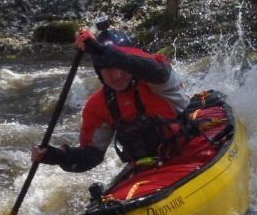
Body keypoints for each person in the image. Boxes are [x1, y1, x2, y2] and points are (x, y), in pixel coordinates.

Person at [31, 26, 190, 173]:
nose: (116, 76)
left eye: (119, 67)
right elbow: (92, 155)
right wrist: (57, 156)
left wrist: (104, 52)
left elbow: (155, 69)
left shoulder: (157, 81)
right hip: (146, 168)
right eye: (107, 69)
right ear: (99, 72)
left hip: (189, 151)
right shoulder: (98, 105)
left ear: (129, 64)